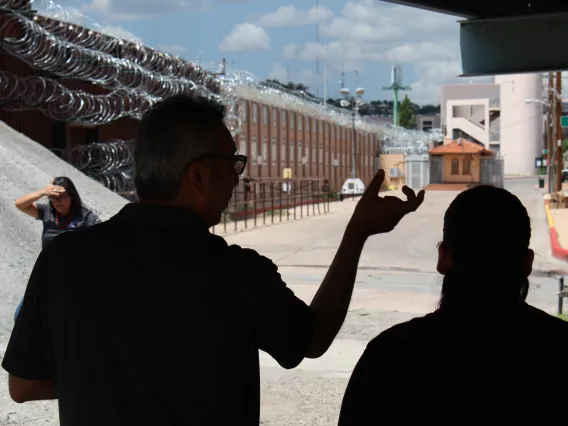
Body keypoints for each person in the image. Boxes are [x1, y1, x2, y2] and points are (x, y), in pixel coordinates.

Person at [2, 95, 425, 426]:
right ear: (199, 176)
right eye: (233, 163)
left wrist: (105, 379)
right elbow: (309, 341)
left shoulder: (62, 262)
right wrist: (356, 234)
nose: (237, 177)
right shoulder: (236, 274)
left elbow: (21, 385)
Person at [338, 185, 568, 425]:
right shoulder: (559, 352)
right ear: (527, 263)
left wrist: (357, 232)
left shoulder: (388, 359)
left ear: (443, 257)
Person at [13, 176, 101, 320]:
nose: (57, 202)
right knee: (21, 316)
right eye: (53, 198)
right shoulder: (48, 213)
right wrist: (42, 192)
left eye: (62, 197)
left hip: (72, 281)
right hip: (46, 276)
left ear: (72, 197)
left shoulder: (86, 218)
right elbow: (19, 204)